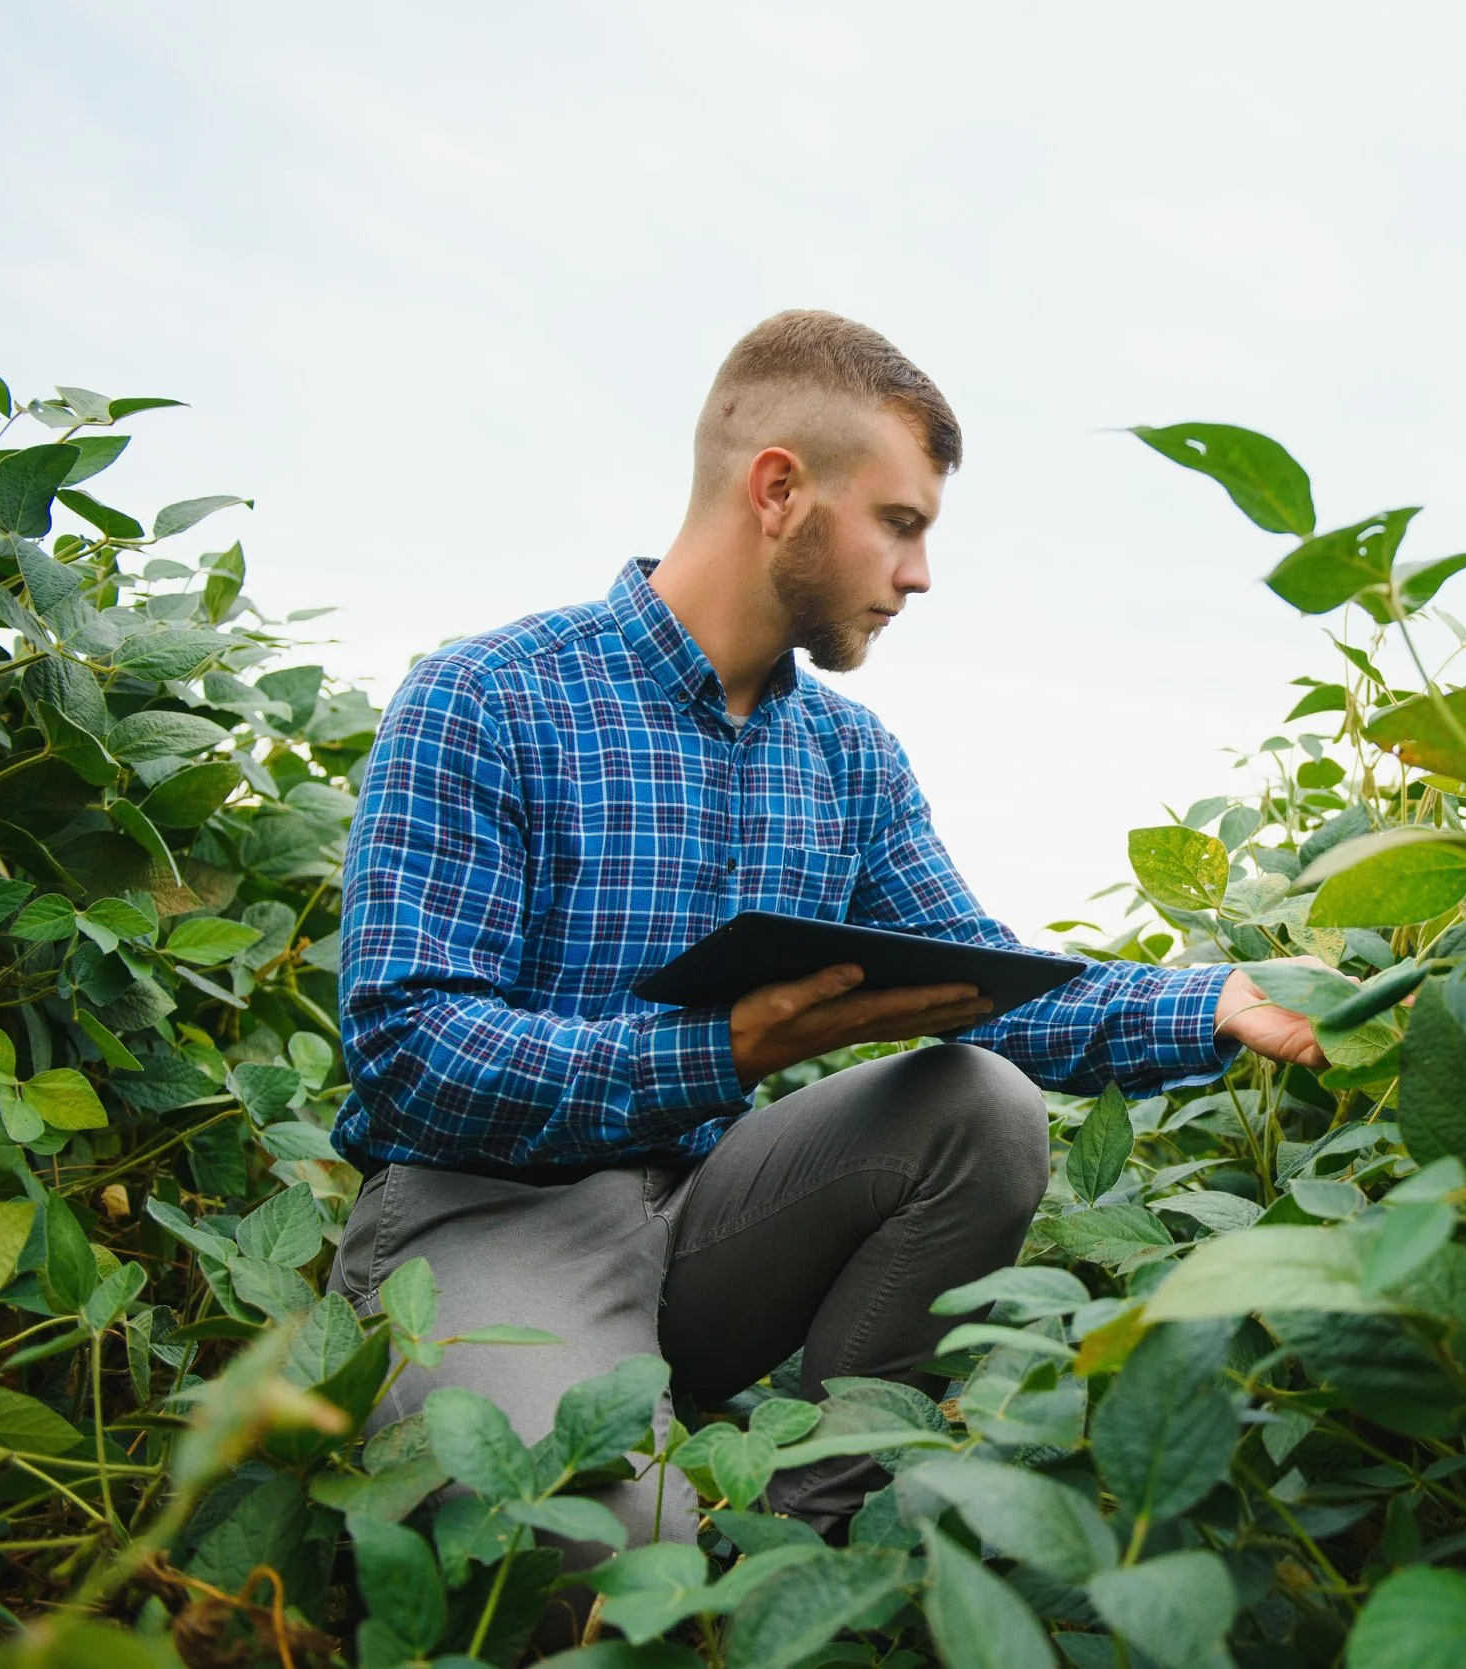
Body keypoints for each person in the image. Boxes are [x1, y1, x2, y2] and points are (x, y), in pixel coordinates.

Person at [325, 310, 1325, 1555]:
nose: (918, 574)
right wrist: (721, 1048)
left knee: (981, 1103)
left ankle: (803, 1542)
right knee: (611, 1542)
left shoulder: (846, 756)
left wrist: (1218, 998)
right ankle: (643, 1508)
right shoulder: (488, 695)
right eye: (900, 524)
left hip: (700, 1215)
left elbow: (993, 988)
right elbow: (410, 1050)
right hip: (479, 1216)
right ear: (780, 489)